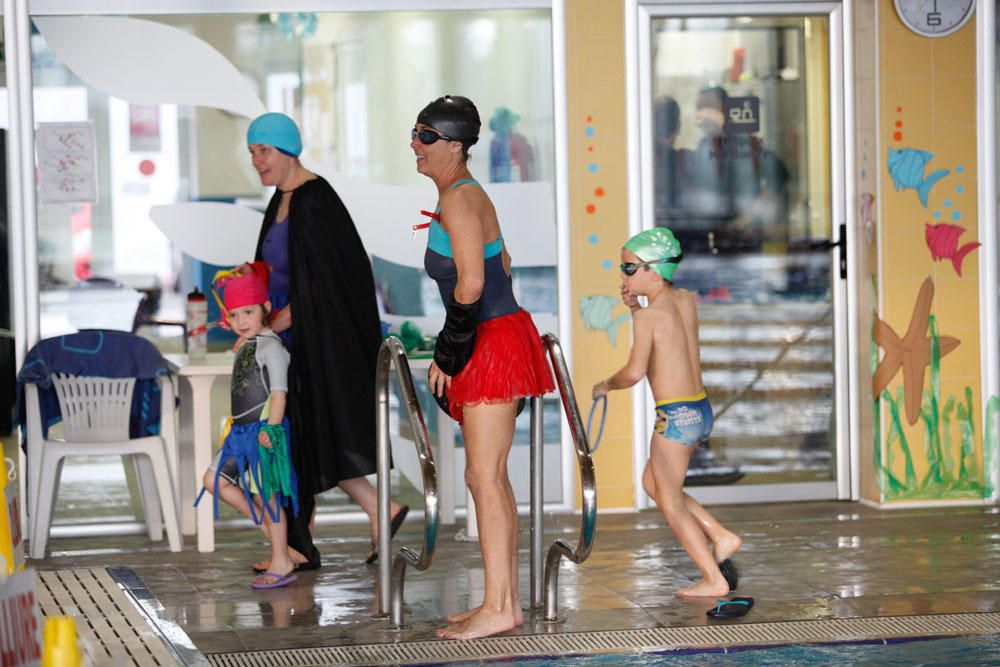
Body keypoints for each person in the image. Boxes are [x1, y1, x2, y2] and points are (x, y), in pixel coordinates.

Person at [412, 95, 554, 639]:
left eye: (426, 136)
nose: (415, 145)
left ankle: (500, 607)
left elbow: (471, 284)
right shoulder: (462, 195)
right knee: (486, 475)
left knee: (484, 476)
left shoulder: (459, 199)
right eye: (415, 133)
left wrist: (449, 352)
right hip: (492, 333)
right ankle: (502, 602)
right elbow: (505, 263)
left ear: (454, 146)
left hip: (489, 339)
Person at [243, 112, 408, 571]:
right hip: (290, 342)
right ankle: (321, 533)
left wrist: (277, 323)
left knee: (309, 438)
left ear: (288, 150)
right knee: (302, 440)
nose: (257, 161)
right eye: (252, 153)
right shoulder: (282, 198)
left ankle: (311, 538)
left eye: (264, 151)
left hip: (314, 341)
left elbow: (323, 283)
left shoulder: (314, 202)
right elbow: (277, 269)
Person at [591, 228, 742, 598]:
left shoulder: (648, 317)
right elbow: (670, 337)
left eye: (629, 269)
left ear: (654, 272)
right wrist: (634, 309)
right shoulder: (685, 299)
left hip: (676, 418)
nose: (623, 276)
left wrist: (605, 385)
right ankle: (720, 535)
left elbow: (634, 372)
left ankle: (713, 577)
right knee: (653, 485)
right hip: (701, 408)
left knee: (670, 501)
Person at [199, 272, 299, 589]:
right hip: (240, 434)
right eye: (233, 314)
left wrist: (271, 428)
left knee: (269, 498)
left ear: (266, 307)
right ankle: (279, 544)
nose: (241, 320)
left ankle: (281, 559)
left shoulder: (272, 347)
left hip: (263, 431)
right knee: (214, 481)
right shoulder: (248, 343)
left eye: (248, 312)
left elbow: (279, 393)